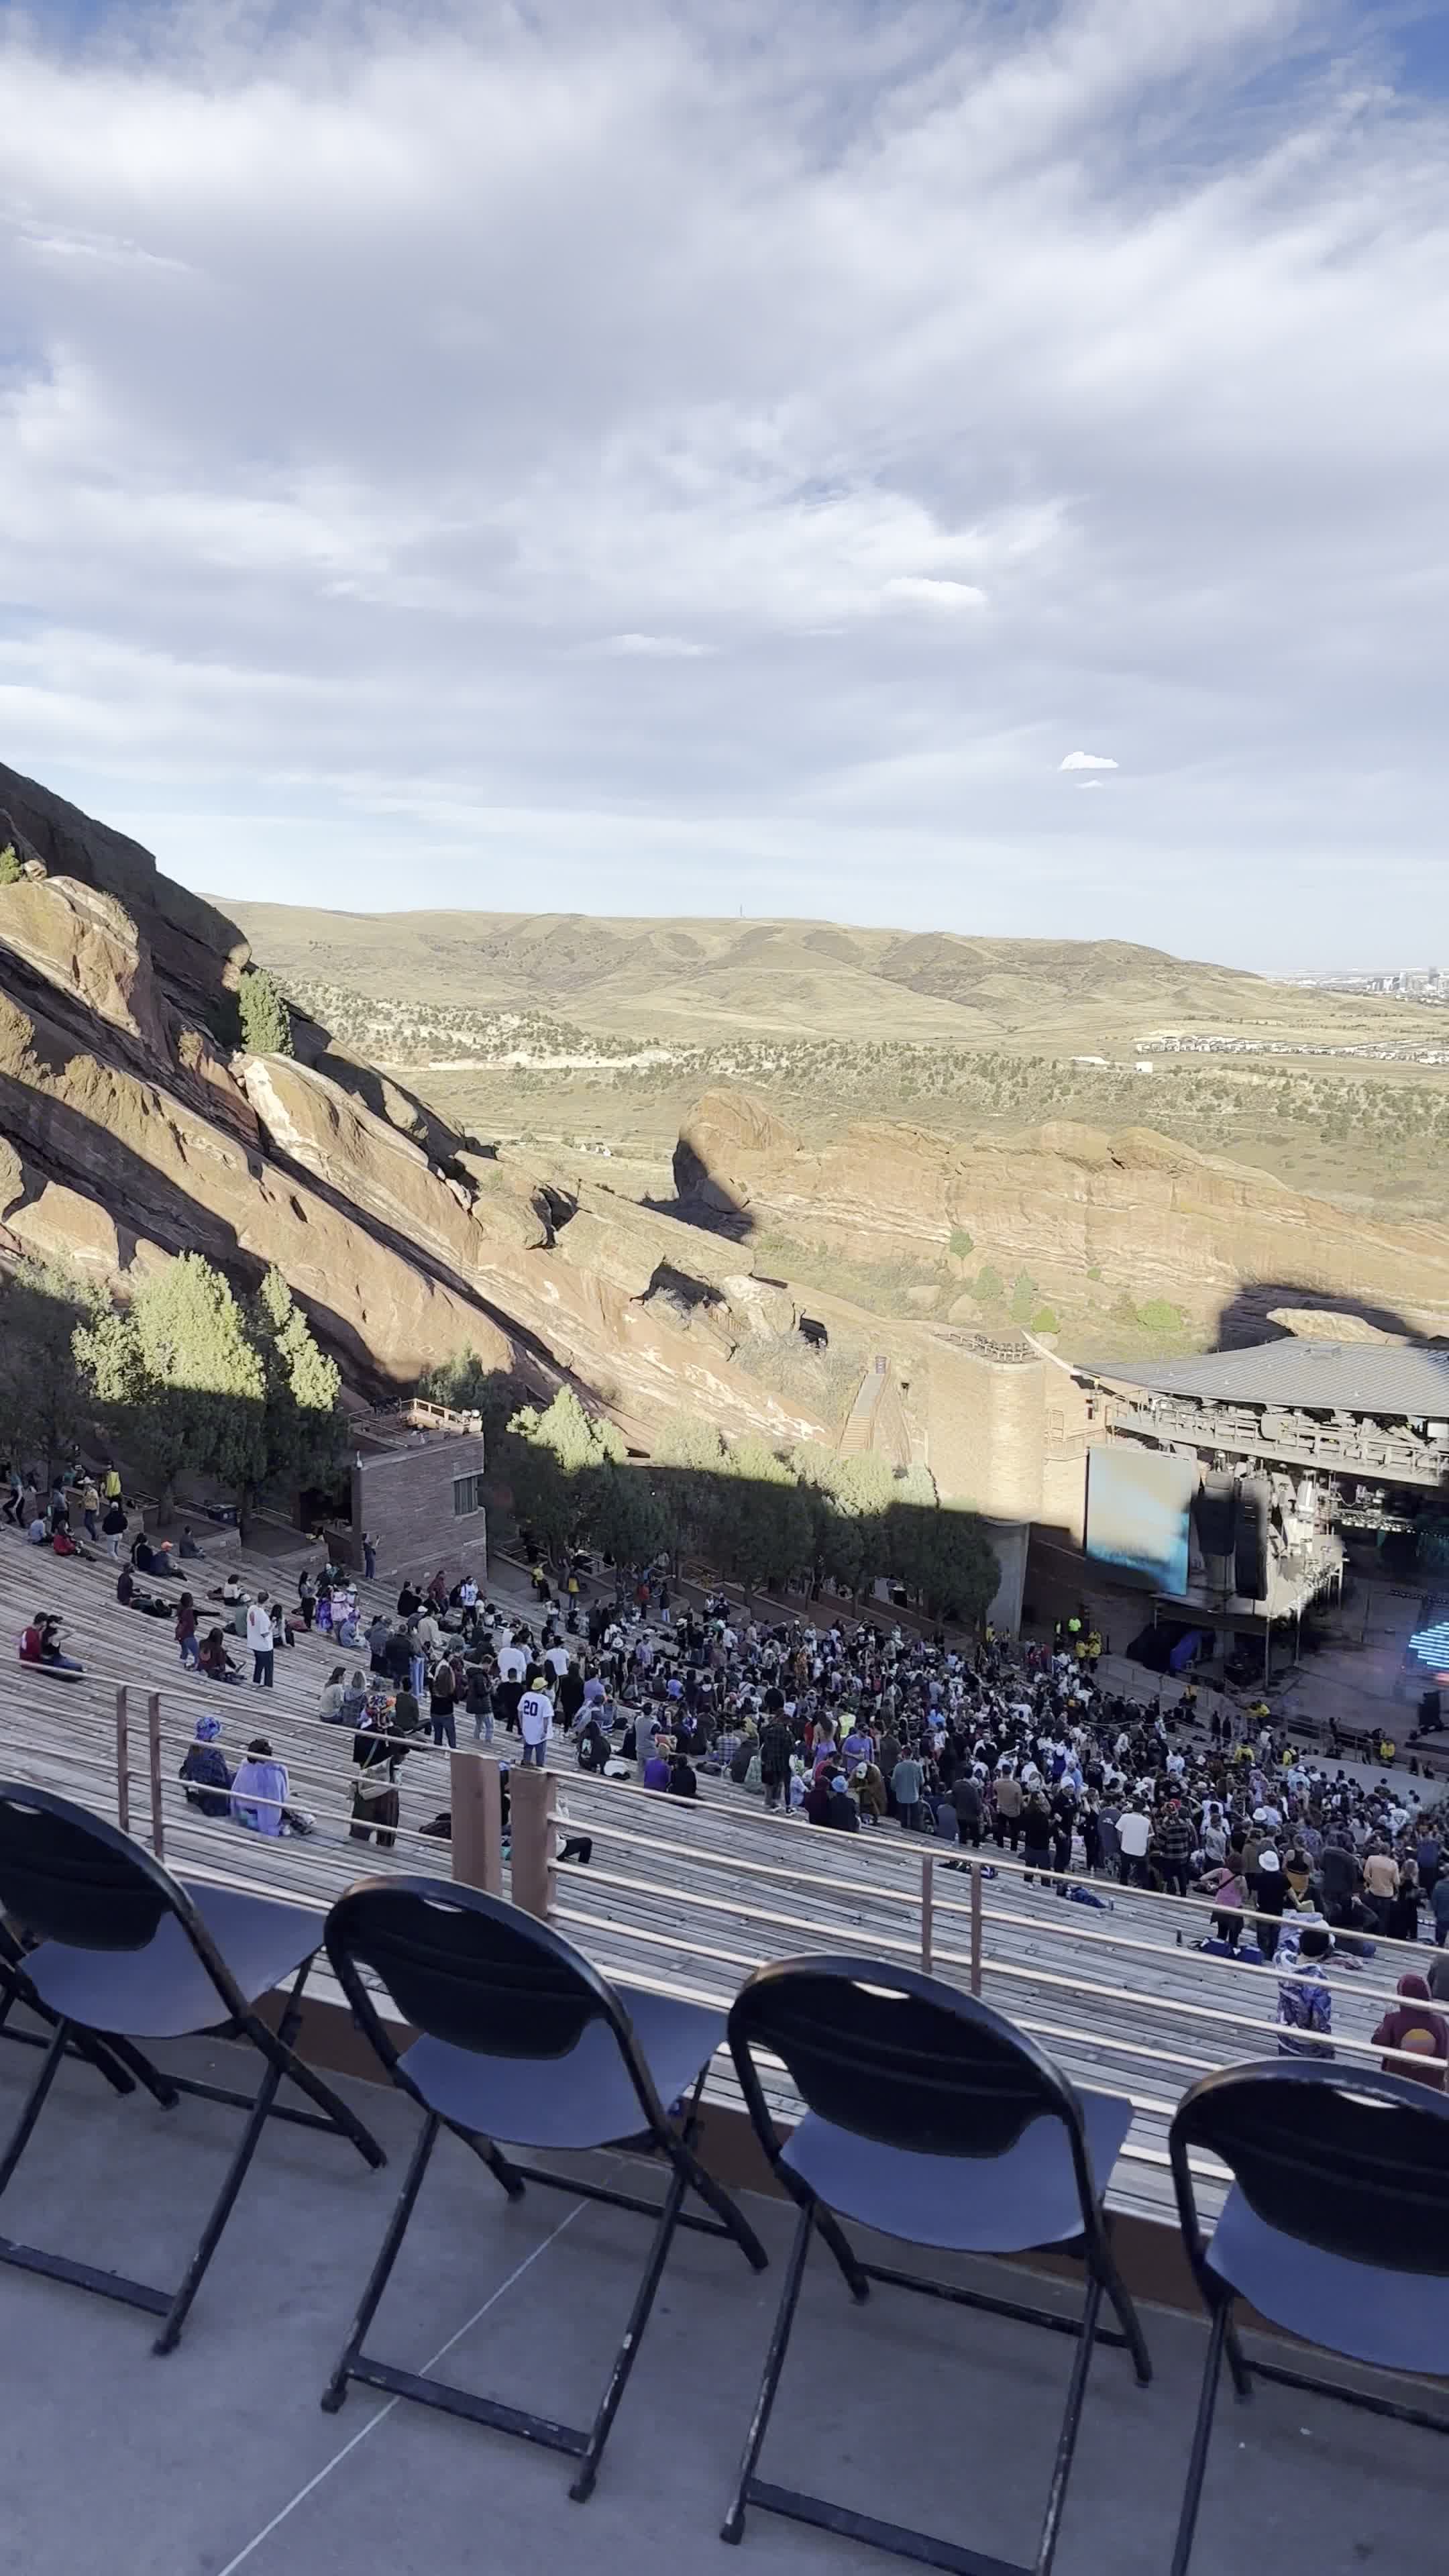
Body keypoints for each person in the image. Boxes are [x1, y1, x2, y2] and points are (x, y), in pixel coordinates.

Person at [1372, 1973, 1449, 2090]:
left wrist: (1385, 2020)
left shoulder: (1394, 2020)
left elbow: (1378, 2042)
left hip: (1396, 2083)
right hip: (1432, 2088)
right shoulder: (1440, 2022)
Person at [1276, 1925, 1334, 2057]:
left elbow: (1288, 1942)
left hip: (1283, 2032)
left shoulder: (1280, 1959)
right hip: (1306, 2045)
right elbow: (1319, 2022)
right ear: (1324, 1952)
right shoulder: (1319, 1982)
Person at [231, 1738, 289, 1835]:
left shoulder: (245, 1766)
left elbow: (234, 1792)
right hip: (258, 1819)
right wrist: (271, 1829)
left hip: (242, 1815)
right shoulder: (271, 1775)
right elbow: (270, 1807)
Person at [180, 1714, 233, 1818]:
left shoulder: (194, 1748)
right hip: (215, 1802)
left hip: (199, 1793)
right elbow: (223, 1779)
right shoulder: (214, 1753)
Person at [518, 1672, 553, 1768]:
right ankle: (539, 1769)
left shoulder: (526, 1696)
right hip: (539, 1731)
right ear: (542, 1688)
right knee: (540, 1754)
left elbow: (520, 1712)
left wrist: (522, 1726)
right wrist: (545, 1730)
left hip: (527, 1728)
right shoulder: (545, 1700)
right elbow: (546, 1717)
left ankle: (525, 1766)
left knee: (527, 1751)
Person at [246, 1592, 275, 1688]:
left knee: (259, 1665)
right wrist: (272, 1627)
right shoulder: (262, 1615)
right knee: (268, 1668)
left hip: (253, 1642)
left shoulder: (251, 1608)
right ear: (266, 1601)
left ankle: (256, 1681)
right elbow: (264, 1633)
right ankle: (268, 1686)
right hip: (264, 1646)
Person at [429, 1656, 458, 1750]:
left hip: (434, 1712)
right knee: (451, 1736)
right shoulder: (450, 1690)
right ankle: (453, 1750)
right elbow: (456, 1700)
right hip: (447, 1714)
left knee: (437, 1734)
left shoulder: (433, 1687)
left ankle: (437, 1749)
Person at [175, 1591, 199, 1669]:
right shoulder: (188, 1611)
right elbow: (189, 1624)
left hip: (181, 1634)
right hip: (188, 1634)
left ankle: (181, 1664)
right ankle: (194, 1667)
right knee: (196, 1652)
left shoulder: (180, 1608)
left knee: (185, 1651)